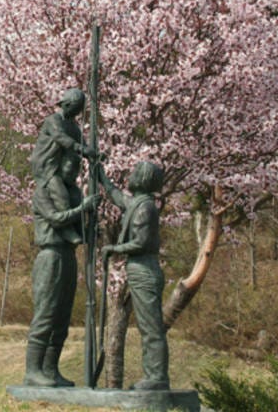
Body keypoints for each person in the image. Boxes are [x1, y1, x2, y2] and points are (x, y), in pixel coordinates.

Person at [24, 154, 101, 387]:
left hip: (68, 255)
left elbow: (79, 231)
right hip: (50, 255)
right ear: (58, 165)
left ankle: (50, 368)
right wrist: (82, 208)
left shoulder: (73, 195)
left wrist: (91, 221)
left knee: (62, 318)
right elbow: (56, 219)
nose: (74, 172)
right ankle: (33, 370)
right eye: (70, 165)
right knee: (46, 314)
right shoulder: (44, 192)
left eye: (78, 168)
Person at [100, 161, 170, 391]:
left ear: (143, 179)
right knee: (147, 326)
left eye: (135, 173)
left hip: (145, 269)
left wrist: (114, 249)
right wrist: (101, 176)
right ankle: (154, 375)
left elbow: (141, 242)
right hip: (139, 269)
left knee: (151, 327)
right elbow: (117, 197)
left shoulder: (146, 208)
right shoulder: (138, 203)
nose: (130, 176)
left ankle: (156, 376)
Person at [29, 88, 97, 244]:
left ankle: (79, 230)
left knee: (75, 194)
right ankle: (66, 229)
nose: (78, 112)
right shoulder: (53, 120)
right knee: (60, 193)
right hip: (46, 166)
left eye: (80, 109)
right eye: (76, 108)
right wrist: (81, 149)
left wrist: (92, 153)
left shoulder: (73, 126)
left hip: (61, 167)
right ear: (66, 105)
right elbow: (60, 137)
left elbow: (82, 142)